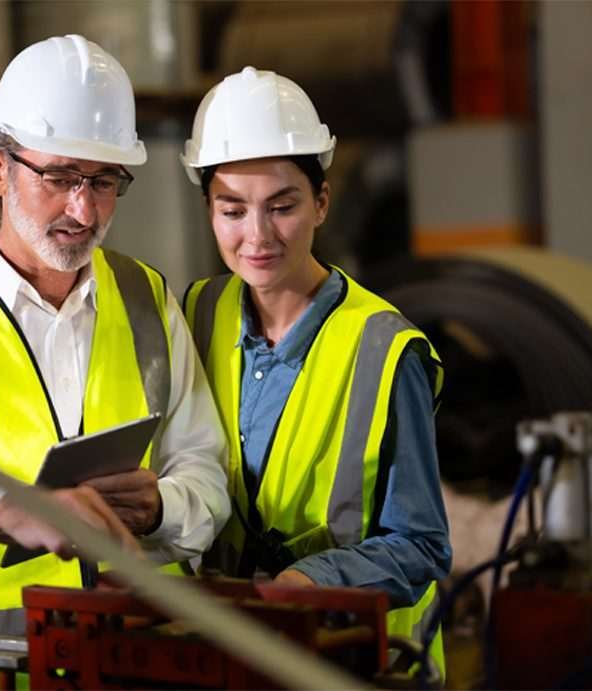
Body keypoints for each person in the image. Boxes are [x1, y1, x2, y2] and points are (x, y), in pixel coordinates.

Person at [0, 35, 229, 638]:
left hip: (140, 656)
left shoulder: (149, 300)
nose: (83, 211)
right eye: (60, 177)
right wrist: (14, 509)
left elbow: (203, 466)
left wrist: (166, 508)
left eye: (104, 181)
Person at [180, 67, 452, 676]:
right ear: (208, 210)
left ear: (322, 203)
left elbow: (423, 545)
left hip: (361, 660)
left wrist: (312, 579)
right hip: (232, 655)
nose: (257, 236)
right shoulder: (197, 313)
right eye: (232, 210)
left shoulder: (383, 349)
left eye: (282, 207)